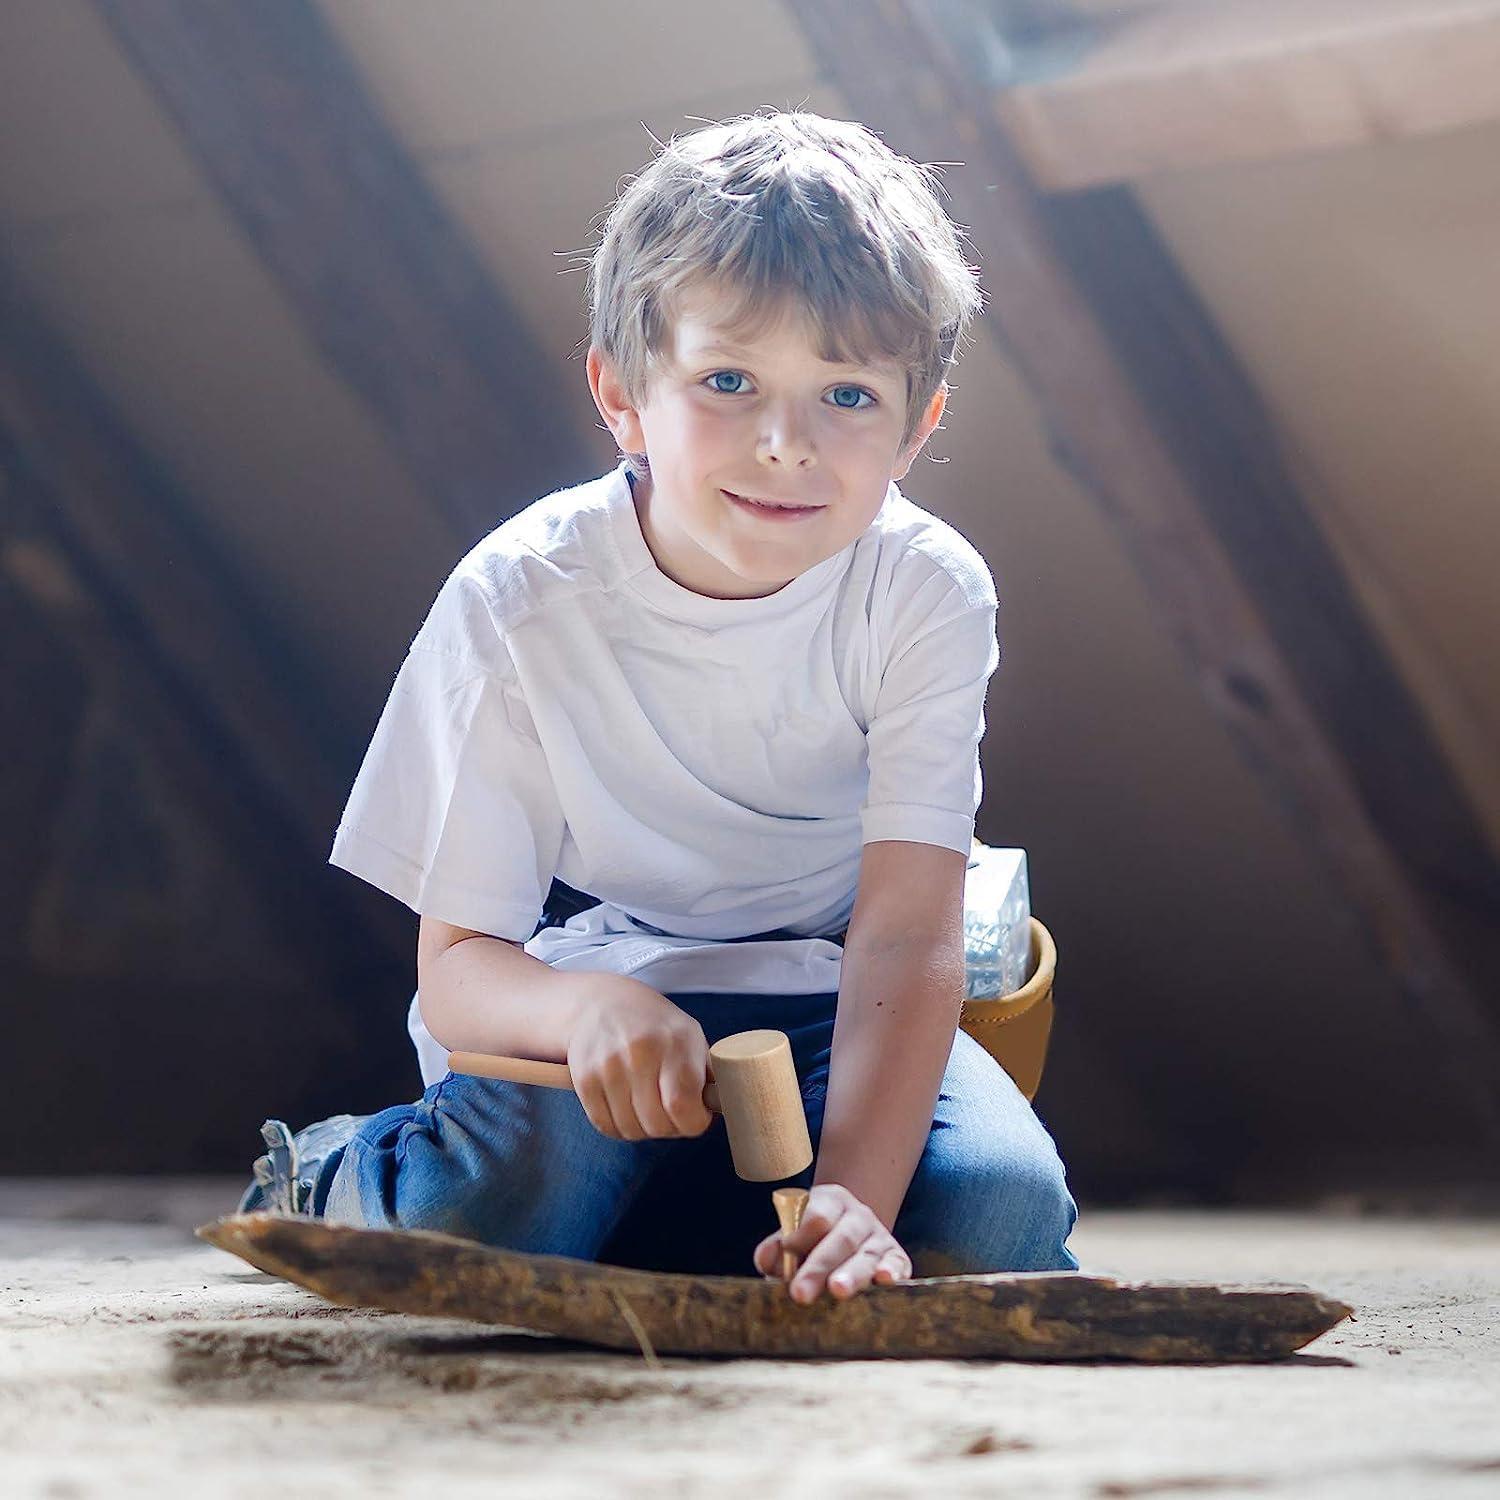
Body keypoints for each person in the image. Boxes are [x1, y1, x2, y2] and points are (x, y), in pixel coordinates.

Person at [241, 110, 1080, 1301]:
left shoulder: (927, 591)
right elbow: (460, 968)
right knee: (490, 1218)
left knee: (997, 1215)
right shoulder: (522, 598)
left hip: (837, 1003)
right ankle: (325, 1175)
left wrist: (852, 1200)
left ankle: (708, 1221)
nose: (786, 444)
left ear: (917, 425)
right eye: (728, 382)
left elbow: (903, 935)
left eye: (846, 395)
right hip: (592, 1002)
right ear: (622, 396)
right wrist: (590, 1011)